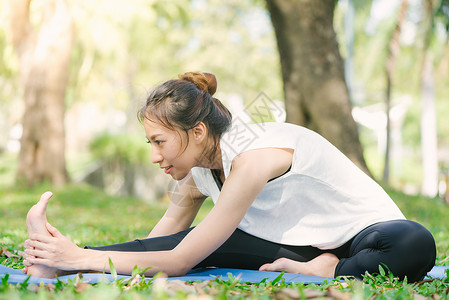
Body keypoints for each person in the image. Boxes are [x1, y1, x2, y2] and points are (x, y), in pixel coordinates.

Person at [23, 72, 436, 282]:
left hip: (367, 238)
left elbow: (180, 261)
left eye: (159, 142)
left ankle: (330, 269)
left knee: (415, 243)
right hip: (298, 248)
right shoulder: (197, 169)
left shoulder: (253, 156)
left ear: (197, 131)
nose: (154, 156)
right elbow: (164, 242)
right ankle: (52, 261)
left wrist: (81, 258)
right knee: (211, 243)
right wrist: (68, 257)